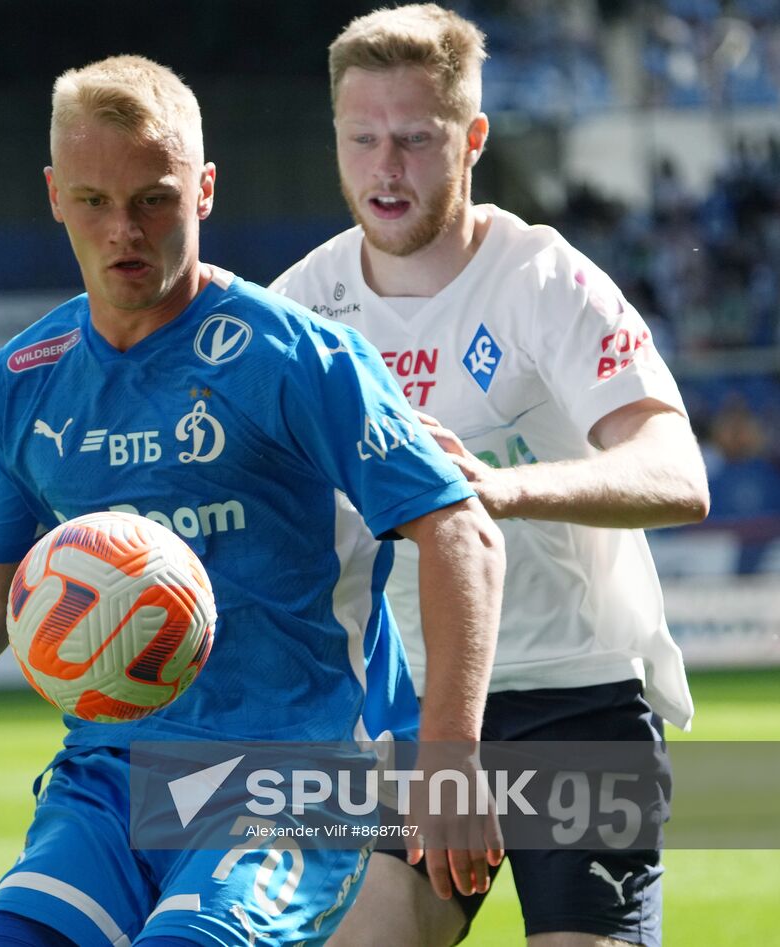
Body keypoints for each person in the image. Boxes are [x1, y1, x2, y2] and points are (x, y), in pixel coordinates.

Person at [0, 54, 506, 947]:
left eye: (153, 198)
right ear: (56, 196)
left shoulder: (294, 358)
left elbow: (460, 532)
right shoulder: (27, 378)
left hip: (291, 773)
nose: (123, 231)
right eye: (95, 202)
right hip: (110, 779)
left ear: (204, 191)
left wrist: (450, 759)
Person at [270, 7, 710, 946]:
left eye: (417, 140)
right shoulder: (300, 308)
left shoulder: (546, 281)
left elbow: (677, 471)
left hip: (578, 695)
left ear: (471, 139)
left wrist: (493, 489)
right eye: (364, 139)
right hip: (404, 711)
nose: (387, 167)